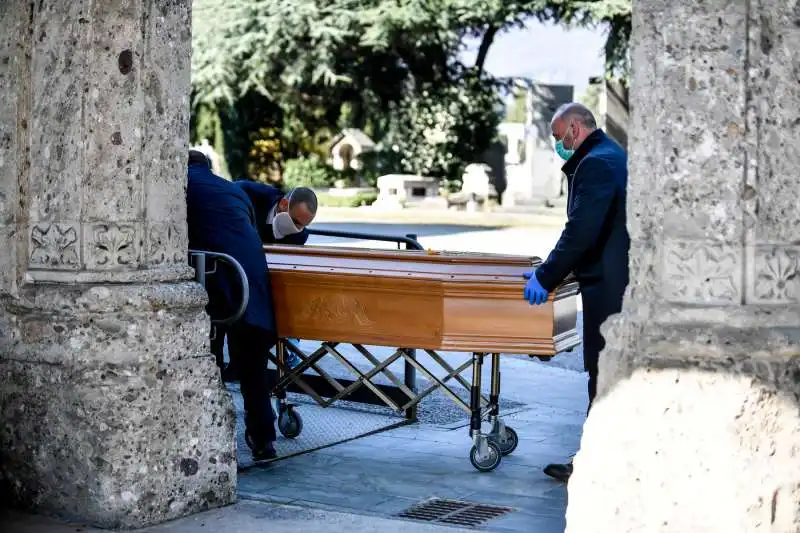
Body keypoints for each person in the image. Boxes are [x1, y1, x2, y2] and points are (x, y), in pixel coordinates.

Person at [522, 103, 629, 482]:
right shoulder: (610, 153)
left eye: (557, 137)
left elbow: (581, 232)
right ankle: (599, 458)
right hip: (616, 282)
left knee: (603, 374)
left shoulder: (596, 164)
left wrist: (546, 276)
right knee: (609, 375)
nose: (557, 145)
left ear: (574, 129)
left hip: (610, 286)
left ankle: (594, 463)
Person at [186, 151, 314, 459]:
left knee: (211, 362)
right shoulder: (232, 189)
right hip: (254, 284)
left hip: (217, 282)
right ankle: (263, 441)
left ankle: (209, 434)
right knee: (253, 368)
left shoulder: (183, 185)